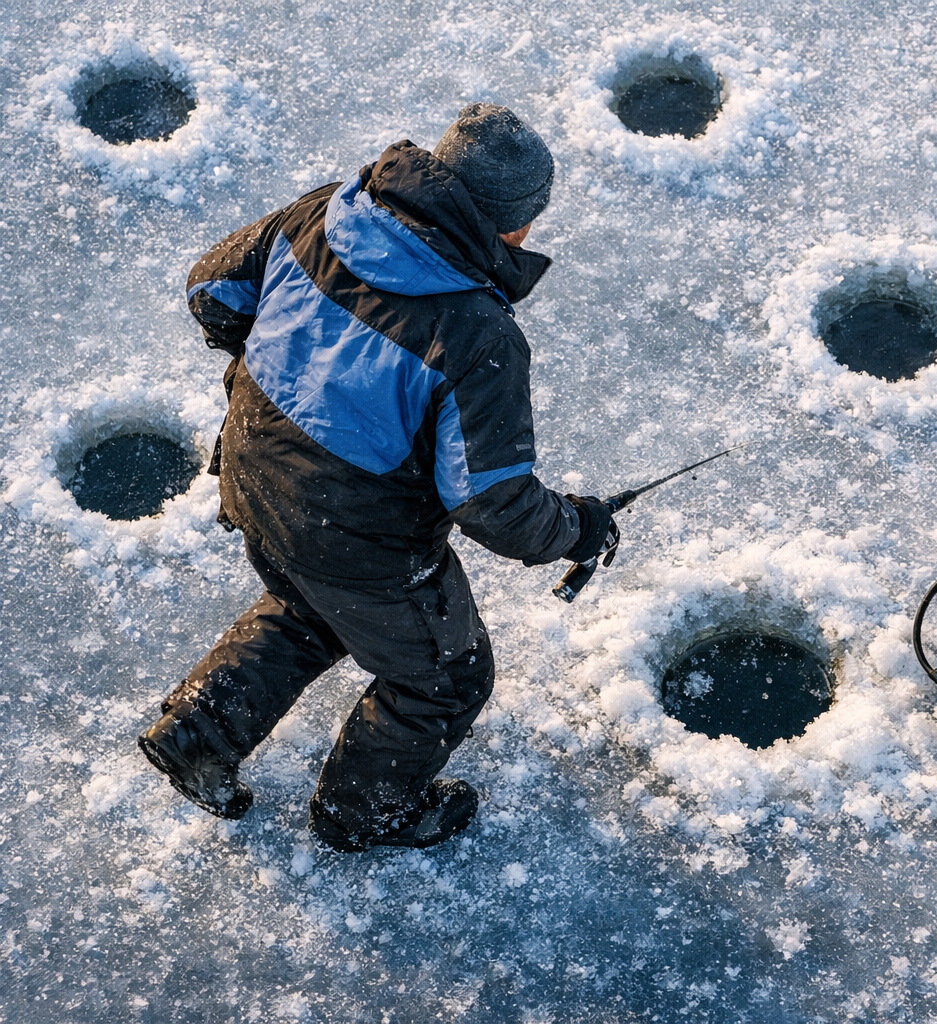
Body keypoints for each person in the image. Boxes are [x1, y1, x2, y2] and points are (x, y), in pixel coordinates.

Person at [137, 104, 619, 852]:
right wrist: (578, 527)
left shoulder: (327, 211)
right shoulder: (476, 335)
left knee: (306, 603)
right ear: (513, 225)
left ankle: (198, 732)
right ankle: (363, 813)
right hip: (361, 540)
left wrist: (283, 379)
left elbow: (213, 290)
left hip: (254, 474)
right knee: (444, 678)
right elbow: (491, 501)